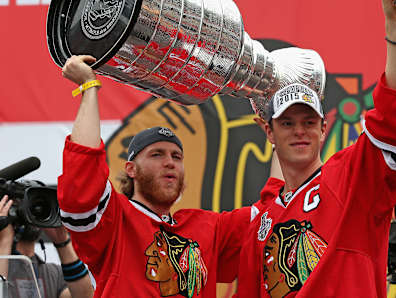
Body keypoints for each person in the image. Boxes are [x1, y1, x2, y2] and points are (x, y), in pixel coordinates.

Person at [236, 0, 396, 298]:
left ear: (324, 129)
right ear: (269, 132)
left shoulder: (353, 181)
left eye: (309, 122)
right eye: (288, 123)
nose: (300, 131)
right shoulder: (261, 223)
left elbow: (395, 124)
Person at [58, 55, 252, 297]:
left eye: (176, 157)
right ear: (131, 169)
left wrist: (275, 134)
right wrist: (88, 87)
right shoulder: (116, 220)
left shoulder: (209, 228)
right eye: (157, 155)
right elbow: (82, 176)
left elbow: (274, 211)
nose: (169, 163)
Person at [0, 195, 94, 298]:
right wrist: (4, 239)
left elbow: (85, 296)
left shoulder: (55, 273)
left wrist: (62, 241)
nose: (30, 214)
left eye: (35, 208)